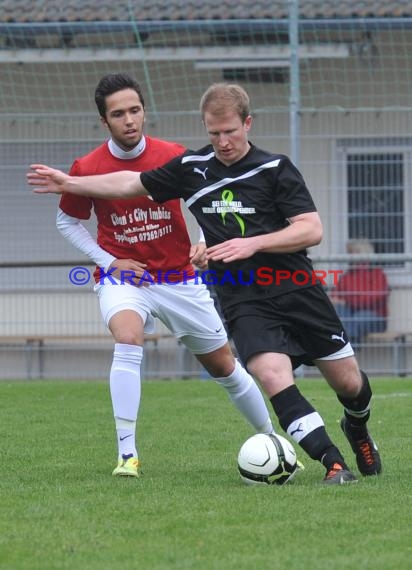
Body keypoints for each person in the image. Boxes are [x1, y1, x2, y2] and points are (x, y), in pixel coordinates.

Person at [27, 82, 382, 485]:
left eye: (230, 131)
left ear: (247, 123)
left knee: (348, 382)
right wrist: (70, 183)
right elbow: (128, 184)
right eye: (214, 134)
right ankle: (333, 464)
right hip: (241, 297)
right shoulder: (191, 167)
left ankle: (356, 427)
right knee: (269, 375)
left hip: (294, 286)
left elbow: (311, 229)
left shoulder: (274, 168)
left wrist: (249, 244)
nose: (223, 141)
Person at [44, 74, 276, 478]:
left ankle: (272, 439)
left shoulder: (176, 157)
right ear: (105, 121)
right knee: (128, 337)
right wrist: (108, 262)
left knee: (224, 366)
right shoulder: (88, 168)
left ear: (144, 112)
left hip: (179, 279)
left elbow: (211, 204)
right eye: (118, 114)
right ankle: (127, 455)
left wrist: (204, 239)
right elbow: (66, 222)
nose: (129, 120)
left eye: (135, 110)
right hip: (126, 279)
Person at [330, 239, 389, 344]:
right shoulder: (347, 276)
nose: (351, 256)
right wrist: (337, 301)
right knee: (340, 312)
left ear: (364, 253)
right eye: (350, 253)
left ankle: (348, 347)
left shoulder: (377, 274)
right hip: (351, 315)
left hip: (375, 317)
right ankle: (352, 345)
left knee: (356, 318)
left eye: (355, 252)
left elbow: (375, 298)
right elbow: (335, 296)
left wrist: (347, 301)